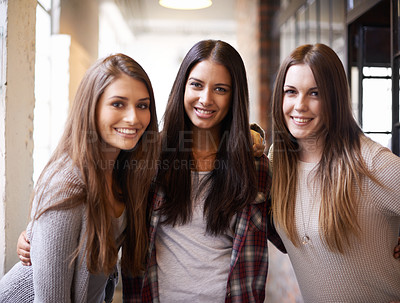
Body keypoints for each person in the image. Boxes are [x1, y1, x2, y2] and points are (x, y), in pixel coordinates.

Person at [119, 39, 284, 302]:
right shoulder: (149, 156)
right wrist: (35, 233)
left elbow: (290, 236)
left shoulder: (255, 167)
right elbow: (104, 207)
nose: (205, 99)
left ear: (234, 97)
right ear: (182, 87)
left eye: (220, 89)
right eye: (196, 85)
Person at [0, 53, 159, 302]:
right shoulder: (65, 186)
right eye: (118, 103)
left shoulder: (125, 172)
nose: (133, 118)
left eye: (142, 105)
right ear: (91, 107)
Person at [270, 43, 400, 302]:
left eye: (314, 93)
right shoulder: (278, 162)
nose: (299, 105)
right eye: (291, 92)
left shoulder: (370, 164)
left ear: (335, 98)